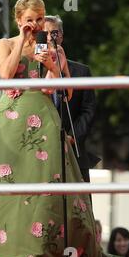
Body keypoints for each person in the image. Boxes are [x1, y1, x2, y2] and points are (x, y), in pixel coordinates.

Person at [0, 0, 104, 257]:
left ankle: (44, 252)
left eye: (39, 19)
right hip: (8, 122)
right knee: (6, 187)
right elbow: (5, 74)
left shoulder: (52, 49)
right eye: (29, 20)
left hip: (43, 120)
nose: (35, 24)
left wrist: (50, 64)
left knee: (45, 188)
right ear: (18, 20)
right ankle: (1, 252)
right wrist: (22, 44)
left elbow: (65, 91)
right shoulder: (5, 44)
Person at [44, 15, 99, 182]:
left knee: (79, 206)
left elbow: (88, 110)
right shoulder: (31, 72)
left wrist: (71, 137)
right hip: (39, 152)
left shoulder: (81, 72)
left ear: (61, 36)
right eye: (43, 34)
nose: (48, 38)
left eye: (53, 33)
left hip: (74, 151)